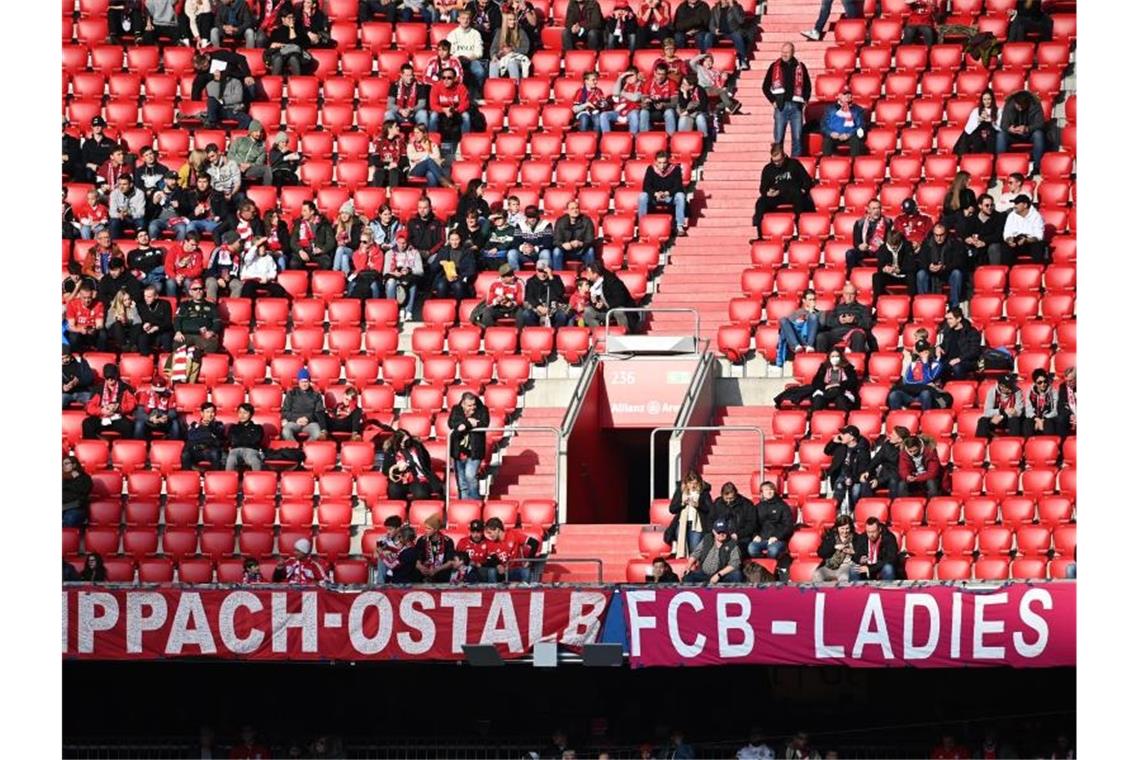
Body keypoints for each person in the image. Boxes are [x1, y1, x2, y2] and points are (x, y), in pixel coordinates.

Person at [752, 143, 814, 234]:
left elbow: (807, 180)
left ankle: (801, 231)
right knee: (760, 203)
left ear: (784, 156)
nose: (777, 163)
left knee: (799, 198)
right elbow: (763, 188)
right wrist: (768, 193)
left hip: (793, 193)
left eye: (779, 160)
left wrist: (803, 190)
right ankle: (761, 233)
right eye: (775, 161)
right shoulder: (768, 169)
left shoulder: (794, 164)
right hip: (777, 195)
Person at [763, 43, 811, 157]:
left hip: (796, 107)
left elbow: (807, 86)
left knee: (797, 139)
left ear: (793, 52)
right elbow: (765, 86)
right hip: (781, 107)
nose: (784, 54)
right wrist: (773, 101)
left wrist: (805, 99)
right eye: (782, 52)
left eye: (787, 52)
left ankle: (795, 165)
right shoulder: (774, 66)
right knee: (778, 139)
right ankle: (778, 163)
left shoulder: (800, 66)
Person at [448, 392, 490, 500]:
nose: (473, 408)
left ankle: (475, 501)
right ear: (463, 404)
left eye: (474, 404)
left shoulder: (482, 409)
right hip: (458, 450)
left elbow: (484, 423)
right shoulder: (456, 409)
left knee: (470, 476)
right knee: (462, 482)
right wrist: (469, 423)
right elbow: (452, 423)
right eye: (469, 405)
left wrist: (464, 425)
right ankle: (464, 505)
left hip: (474, 450)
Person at [998, 90, 1049, 176]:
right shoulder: (1009, 104)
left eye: (1022, 106)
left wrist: (1027, 128)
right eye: (1018, 106)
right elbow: (1003, 124)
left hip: (1029, 134)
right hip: (1013, 134)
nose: (1020, 108)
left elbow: (1040, 124)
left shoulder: (1035, 105)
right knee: (1001, 135)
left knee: (1038, 135)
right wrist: (1009, 128)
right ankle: (1000, 165)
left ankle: (1037, 167)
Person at [916, 224, 967, 308]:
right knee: (921, 274)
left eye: (941, 235)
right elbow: (921, 260)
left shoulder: (955, 243)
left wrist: (944, 267)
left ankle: (954, 306)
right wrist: (928, 267)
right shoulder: (926, 243)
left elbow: (959, 261)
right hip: (931, 272)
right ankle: (923, 305)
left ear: (946, 234)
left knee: (957, 274)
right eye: (936, 235)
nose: (939, 238)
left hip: (948, 272)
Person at [384, 430, 445, 500]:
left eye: (407, 441)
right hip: (400, 479)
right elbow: (385, 470)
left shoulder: (417, 446)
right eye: (403, 442)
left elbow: (426, 461)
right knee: (394, 491)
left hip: (417, 477)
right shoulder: (391, 451)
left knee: (421, 493)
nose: (405, 444)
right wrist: (398, 469)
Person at [664, 471, 714, 555]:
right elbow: (672, 509)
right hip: (682, 523)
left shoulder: (704, 493)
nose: (693, 486)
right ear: (686, 483)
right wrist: (682, 504)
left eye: (695, 483)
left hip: (697, 525)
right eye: (690, 483)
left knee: (694, 549)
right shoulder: (680, 492)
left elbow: (710, 510)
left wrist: (698, 505)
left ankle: (694, 567)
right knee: (683, 549)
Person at [82, 364, 136, 440]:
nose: (110, 380)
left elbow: (132, 404)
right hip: (101, 417)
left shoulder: (125, 388)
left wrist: (119, 408)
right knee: (87, 423)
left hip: (118, 417)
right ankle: (95, 448)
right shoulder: (98, 388)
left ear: (116, 375)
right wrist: (101, 410)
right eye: (107, 378)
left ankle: (123, 450)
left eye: (112, 377)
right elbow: (89, 406)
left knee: (129, 425)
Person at [824, 425, 871, 514]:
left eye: (844, 434)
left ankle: (854, 512)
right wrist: (833, 442)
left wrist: (852, 479)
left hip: (855, 476)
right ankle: (834, 513)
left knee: (855, 491)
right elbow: (827, 451)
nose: (841, 435)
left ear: (852, 437)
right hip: (841, 474)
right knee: (839, 488)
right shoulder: (841, 446)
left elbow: (862, 470)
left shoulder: (862, 451)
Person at [814, 282, 872, 354]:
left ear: (856, 295)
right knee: (821, 337)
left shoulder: (863, 308)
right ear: (843, 295)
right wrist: (839, 321)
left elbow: (868, 324)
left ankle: (857, 362)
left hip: (852, 333)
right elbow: (828, 322)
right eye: (847, 294)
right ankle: (822, 363)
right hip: (836, 334)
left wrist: (855, 320)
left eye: (852, 294)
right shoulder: (837, 308)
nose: (849, 296)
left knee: (858, 335)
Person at [888, 340, 944, 410]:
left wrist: (925, 363)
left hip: (928, 394)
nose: (924, 353)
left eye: (925, 350)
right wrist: (923, 384)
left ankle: (927, 417)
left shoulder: (937, 365)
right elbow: (908, 381)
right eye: (921, 351)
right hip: (912, 393)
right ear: (918, 353)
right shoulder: (913, 364)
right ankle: (897, 418)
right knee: (894, 395)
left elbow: (929, 378)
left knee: (925, 393)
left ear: (929, 350)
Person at [639, 151, 687, 234]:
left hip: (669, 196)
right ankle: (642, 225)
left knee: (680, 196)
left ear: (668, 161)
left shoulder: (675, 169)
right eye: (659, 163)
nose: (662, 166)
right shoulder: (651, 169)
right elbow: (646, 186)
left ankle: (679, 225)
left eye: (664, 163)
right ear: (655, 162)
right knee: (642, 196)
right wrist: (655, 193)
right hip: (655, 197)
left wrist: (667, 193)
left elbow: (678, 186)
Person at [683, 519, 744, 583]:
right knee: (687, 577)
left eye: (724, 532)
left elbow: (735, 564)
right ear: (714, 531)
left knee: (737, 575)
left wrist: (718, 575)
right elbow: (696, 553)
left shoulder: (732, 544)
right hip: (704, 574)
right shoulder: (707, 538)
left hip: (722, 575)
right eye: (719, 532)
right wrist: (688, 566)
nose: (721, 534)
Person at [581, 261, 638, 329]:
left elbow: (621, 300)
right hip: (603, 311)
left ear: (595, 274)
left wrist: (605, 304)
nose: (587, 275)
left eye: (588, 272)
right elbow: (592, 299)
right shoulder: (591, 283)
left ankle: (624, 334)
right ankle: (599, 332)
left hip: (615, 309)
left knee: (619, 311)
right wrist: (595, 304)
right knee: (588, 311)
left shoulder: (613, 282)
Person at [383, 231, 424, 322]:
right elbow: (385, 272)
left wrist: (409, 270)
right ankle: (391, 311)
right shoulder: (390, 253)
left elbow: (420, 270)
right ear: (396, 242)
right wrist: (394, 273)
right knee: (391, 282)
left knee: (411, 283)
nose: (402, 245)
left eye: (404, 243)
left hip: (408, 276)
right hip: (394, 276)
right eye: (399, 243)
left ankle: (408, 311)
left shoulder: (414, 253)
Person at [484, 516, 540, 582]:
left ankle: (525, 591)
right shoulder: (490, 542)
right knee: (492, 571)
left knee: (526, 571)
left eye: (490, 532)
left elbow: (535, 543)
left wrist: (529, 561)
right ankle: (493, 590)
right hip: (503, 572)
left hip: (516, 569)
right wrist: (498, 565)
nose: (489, 535)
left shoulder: (513, 534)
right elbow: (492, 557)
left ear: (497, 529)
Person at [173, 279, 222, 354]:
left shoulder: (211, 306)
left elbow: (217, 321)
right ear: (190, 292)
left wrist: (212, 332)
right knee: (176, 344)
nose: (198, 291)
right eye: (195, 289)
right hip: (186, 335)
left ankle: (198, 358)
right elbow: (177, 319)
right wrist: (178, 332)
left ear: (204, 290)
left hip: (203, 336)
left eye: (200, 288)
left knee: (212, 345)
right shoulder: (184, 305)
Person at [710, 481, 757, 558]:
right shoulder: (717, 504)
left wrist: (738, 534)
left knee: (734, 550)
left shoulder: (746, 504)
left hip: (741, 538)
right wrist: (716, 533)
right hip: (720, 536)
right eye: (726, 498)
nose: (728, 501)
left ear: (736, 494)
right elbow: (710, 521)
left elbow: (751, 525)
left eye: (731, 498)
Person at [517, 260, 571, 328]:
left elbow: (560, 293)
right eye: (540, 271)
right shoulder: (531, 281)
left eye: (545, 271)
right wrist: (539, 307)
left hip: (553, 307)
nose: (542, 274)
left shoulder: (556, 279)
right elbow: (529, 297)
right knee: (526, 314)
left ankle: (556, 334)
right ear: (536, 270)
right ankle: (536, 332)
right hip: (538, 307)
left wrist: (551, 277)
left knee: (562, 315)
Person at [862, 426, 910, 499]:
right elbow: (877, 459)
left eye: (893, 435)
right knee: (866, 480)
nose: (890, 436)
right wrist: (867, 471)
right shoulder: (887, 444)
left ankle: (893, 506)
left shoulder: (906, 451)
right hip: (883, 475)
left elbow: (897, 472)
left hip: (897, 478)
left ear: (900, 439)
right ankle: (869, 506)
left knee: (893, 481)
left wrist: (879, 481)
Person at [936, 306, 982, 380]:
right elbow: (944, 345)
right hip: (949, 360)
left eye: (950, 318)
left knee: (957, 367)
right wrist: (939, 347)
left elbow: (974, 351)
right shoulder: (948, 331)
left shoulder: (971, 332)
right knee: (936, 366)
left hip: (965, 361)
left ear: (959, 319)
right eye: (947, 319)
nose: (948, 321)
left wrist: (959, 359)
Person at [775, 290, 821, 365]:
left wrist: (811, 312)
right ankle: (796, 346)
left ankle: (809, 346)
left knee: (813, 317)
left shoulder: (819, 313)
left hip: (811, 339)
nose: (812, 302)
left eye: (814, 299)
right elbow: (788, 327)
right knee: (783, 320)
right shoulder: (797, 313)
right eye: (810, 300)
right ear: (804, 301)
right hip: (797, 337)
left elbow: (822, 325)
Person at [751, 481, 794, 560]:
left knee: (773, 550)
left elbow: (788, 525)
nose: (769, 492)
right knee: (752, 548)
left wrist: (777, 537)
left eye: (771, 489)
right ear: (762, 493)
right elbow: (753, 524)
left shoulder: (782, 506)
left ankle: (773, 567)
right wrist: (755, 535)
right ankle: (763, 564)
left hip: (778, 540)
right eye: (766, 490)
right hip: (762, 539)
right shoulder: (758, 507)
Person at [962, 193, 1007, 268]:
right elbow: (965, 232)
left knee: (994, 247)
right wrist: (968, 238)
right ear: (980, 206)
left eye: (991, 205)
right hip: (976, 245)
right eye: (987, 205)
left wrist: (984, 241)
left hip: (990, 244)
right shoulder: (972, 218)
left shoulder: (999, 217)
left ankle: (995, 272)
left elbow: (998, 235)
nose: (990, 207)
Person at [281, 369, 327, 442]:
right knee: (285, 431)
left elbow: (319, 412)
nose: (304, 384)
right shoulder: (291, 393)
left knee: (317, 434)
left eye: (306, 381)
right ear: (298, 382)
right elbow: (285, 411)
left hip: (310, 422)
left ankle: (306, 448)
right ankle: (295, 449)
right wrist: (296, 419)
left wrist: (308, 419)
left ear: (309, 382)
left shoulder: (316, 395)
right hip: (294, 422)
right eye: (302, 382)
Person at [447, 9, 488, 91]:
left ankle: (476, 93)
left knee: (479, 72)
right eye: (463, 18)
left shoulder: (476, 34)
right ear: (458, 19)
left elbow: (479, 52)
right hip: (457, 60)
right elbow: (450, 52)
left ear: (470, 20)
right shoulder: (452, 34)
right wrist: (458, 58)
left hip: (472, 59)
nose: (465, 21)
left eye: (467, 18)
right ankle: (454, 92)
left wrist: (469, 58)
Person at [1001, 194, 1047, 265]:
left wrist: (1026, 240)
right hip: (1016, 240)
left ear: (1025, 205)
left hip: (1030, 242)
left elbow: (1039, 236)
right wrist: (1009, 240)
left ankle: (1038, 270)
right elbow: (1007, 232)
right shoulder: (1011, 215)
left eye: (1017, 204)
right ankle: (1007, 271)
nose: (1014, 206)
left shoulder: (1036, 216)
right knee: (1005, 246)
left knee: (1038, 245)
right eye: (1014, 204)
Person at [871, 229, 918, 298]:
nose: (893, 247)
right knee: (876, 277)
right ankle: (877, 302)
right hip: (890, 276)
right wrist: (884, 269)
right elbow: (880, 266)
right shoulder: (883, 248)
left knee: (912, 277)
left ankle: (912, 302)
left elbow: (912, 266)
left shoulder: (908, 247)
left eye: (895, 245)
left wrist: (900, 270)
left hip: (903, 276)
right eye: (891, 245)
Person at [290, 201, 337, 269]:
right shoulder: (299, 223)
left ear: (312, 212)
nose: (302, 213)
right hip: (303, 250)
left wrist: (322, 250)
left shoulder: (324, 223)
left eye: (305, 211)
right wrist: (300, 251)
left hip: (318, 252)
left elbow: (331, 242)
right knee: (293, 263)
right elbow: (293, 241)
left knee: (327, 263)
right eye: (302, 211)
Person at [850, 516, 898, 582]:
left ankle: (888, 591)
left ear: (879, 529)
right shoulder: (862, 538)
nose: (871, 535)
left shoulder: (889, 538)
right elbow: (855, 555)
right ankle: (857, 591)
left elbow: (891, 558)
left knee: (888, 569)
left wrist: (870, 569)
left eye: (873, 532)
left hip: (880, 567)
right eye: (868, 532)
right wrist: (860, 559)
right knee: (853, 569)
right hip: (866, 566)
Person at [132, 374, 180, 441]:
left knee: (175, 423)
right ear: (151, 387)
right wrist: (150, 418)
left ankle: (174, 445)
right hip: (149, 420)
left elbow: (173, 411)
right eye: (156, 391)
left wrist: (167, 417)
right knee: (139, 424)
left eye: (160, 391)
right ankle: (139, 446)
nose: (158, 393)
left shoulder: (170, 395)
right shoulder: (145, 394)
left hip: (163, 420)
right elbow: (140, 412)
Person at [433, 230, 479, 300]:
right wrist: (440, 263)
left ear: (460, 240)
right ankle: (444, 306)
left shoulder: (467, 252)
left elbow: (472, 269)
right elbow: (433, 267)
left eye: (456, 240)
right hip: (445, 276)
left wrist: (461, 277)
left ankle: (459, 306)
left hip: (460, 276)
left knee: (458, 286)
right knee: (441, 286)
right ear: (449, 240)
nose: (454, 242)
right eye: (452, 240)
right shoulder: (444, 250)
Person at [976, 373, 1025, 438]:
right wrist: (1002, 412)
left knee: (1015, 421)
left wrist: (1003, 416)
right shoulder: (992, 392)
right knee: (983, 421)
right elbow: (987, 412)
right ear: (1001, 386)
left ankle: (1013, 443)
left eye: (1012, 385)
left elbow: (1018, 412)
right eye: (1009, 386)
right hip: (995, 418)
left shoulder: (1017, 392)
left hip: (1009, 419)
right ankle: (981, 443)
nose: (1012, 387)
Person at [821, 87, 866, 157]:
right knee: (827, 141)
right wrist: (830, 133)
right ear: (839, 96)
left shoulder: (858, 110)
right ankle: (827, 164)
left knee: (856, 142)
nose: (848, 96)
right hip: (834, 136)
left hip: (850, 136)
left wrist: (849, 134)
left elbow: (861, 126)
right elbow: (823, 125)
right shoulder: (830, 109)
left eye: (849, 94)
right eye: (845, 94)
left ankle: (854, 163)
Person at [415, 514, 461, 582]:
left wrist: (435, 570)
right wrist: (421, 568)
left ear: (436, 529)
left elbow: (450, 562)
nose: (426, 530)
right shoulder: (422, 540)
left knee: (445, 574)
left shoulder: (447, 541)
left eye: (428, 528)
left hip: (441, 571)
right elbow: (417, 559)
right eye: (425, 528)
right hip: (425, 570)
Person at [488, 11, 532, 82]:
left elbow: (526, 48)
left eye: (514, 19)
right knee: (493, 64)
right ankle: (494, 88)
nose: (513, 22)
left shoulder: (521, 32)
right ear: (505, 21)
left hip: (516, 58)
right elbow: (493, 48)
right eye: (510, 20)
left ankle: (515, 87)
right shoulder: (499, 32)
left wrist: (512, 50)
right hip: (503, 58)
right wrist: (494, 56)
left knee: (511, 63)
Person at [957, 89, 1002, 156]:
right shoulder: (976, 111)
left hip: (992, 133)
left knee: (992, 139)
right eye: (984, 99)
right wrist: (979, 120)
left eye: (989, 99)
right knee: (974, 139)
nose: (987, 102)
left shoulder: (999, 111)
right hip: (978, 133)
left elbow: (1001, 127)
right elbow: (968, 129)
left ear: (992, 100)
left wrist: (991, 121)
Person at [812, 514, 856, 583]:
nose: (845, 531)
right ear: (837, 528)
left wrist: (853, 552)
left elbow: (861, 554)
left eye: (847, 528)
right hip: (830, 566)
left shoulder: (856, 538)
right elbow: (820, 552)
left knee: (844, 577)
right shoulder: (831, 538)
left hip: (846, 566)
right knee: (817, 574)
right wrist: (834, 547)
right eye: (842, 529)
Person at [508, 206, 553, 270]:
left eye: (534, 216)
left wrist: (534, 248)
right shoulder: (520, 224)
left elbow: (548, 243)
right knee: (511, 253)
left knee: (546, 253)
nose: (532, 219)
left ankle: (545, 275)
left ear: (538, 215)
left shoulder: (546, 224)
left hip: (539, 252)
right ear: (526, 216)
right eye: (529, 216)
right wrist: (522, 248)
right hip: (524, 253)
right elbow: (515, 242)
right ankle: (514, 276)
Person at [639, 64, 680, 135]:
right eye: (658, 74)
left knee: (669, 112)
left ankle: (671, 137)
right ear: (655, 73)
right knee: (643, 112)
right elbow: (643, 101)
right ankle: (644, 137)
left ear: (666, 74)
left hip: (666, 110)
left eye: (663, 74)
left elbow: (675, 102)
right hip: (652, 110)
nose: (660, 77)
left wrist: (664, 105)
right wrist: (646, 103)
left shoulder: (672, 83)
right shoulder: (648, 83)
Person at [182, 402, 225, 470]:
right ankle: (188, 476)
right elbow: (190, 437)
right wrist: (208, 434)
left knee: (215, 454)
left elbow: (218, 439)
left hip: (210, 450)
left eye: (212, 412)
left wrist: (209, 428)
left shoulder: (219, 425)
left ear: (215, 413)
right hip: (196, 451)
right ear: (202, 413)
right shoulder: (194, 425)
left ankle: (214, 477)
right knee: (185, 455)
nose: (210, 415)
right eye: (207, 412)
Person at [204, 231, 244, 301]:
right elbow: (210, 268)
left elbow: (238, 273)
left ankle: (232, 308)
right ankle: (210, 308)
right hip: (214, 277)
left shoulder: (238, 255)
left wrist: (230, 277)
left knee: (238, 285)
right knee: (212, 283)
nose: (240, 244)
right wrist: (218, 278)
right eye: (238, 242)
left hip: (230, 280)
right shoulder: (218, 251)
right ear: (232, 242)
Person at [708, 0, 749, 68]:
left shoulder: (737, 7)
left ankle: (742, 60)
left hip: (732, 31)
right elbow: (711, 24)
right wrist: (714, 30)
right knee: (708, 37)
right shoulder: (715, 9)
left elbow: (741, 21)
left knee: (738, 37)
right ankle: (707, 60)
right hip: (719, 33)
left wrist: (733, 6)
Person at [226, 402, 264, 471]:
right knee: (231, 459)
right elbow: (232, 440)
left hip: (251, 450)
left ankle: (257, 480)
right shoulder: (233, 427)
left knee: (255, 461)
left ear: (251, 414)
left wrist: (240, 439)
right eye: (240, 412)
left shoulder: (257, 428)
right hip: (235, 450)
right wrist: (247, 438)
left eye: (245, 413)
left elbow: (256, 441)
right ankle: (228, 480)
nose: (242, 415)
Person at [109, 175, 147, 240]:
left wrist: (129, 213)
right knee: (114, 222)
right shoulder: (114, 193)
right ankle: (115, 244)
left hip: (134, 218)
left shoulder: (139, 193)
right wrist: (119, 215)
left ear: (131, 184)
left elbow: (141, 213)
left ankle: (141, 243)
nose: (121, 187)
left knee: (141, 221)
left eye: (124, 184)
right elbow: (112, 212)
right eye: (119, 184)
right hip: (120, 218)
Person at [941, 171, 978, 236]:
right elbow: (947, 211)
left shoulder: (970, 193)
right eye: (968, 179)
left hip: (967, 218)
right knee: (959, 216)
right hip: (953, 218)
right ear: (962, 180)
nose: (970, 180)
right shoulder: (951, 194)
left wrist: (972, 208)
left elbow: (974, 205)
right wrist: (963, 212)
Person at [63, 456, 94, 528]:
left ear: (74, 465)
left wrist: (77, 478)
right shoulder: (62, 478)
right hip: (63, 506)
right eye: (63, 464)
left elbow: (84, 491)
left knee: (70, 519)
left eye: (66, 463)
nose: (64, 466)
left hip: (76, 508)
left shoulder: (84, 478)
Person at [1057, 366, 1076, 437]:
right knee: (1061, 419)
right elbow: (1060, 406)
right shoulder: (1063, 387)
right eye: (1066, 381)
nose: (1068, 383)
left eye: (1070, 381)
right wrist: (1070, 415)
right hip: (1069, 415)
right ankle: (1063, 444)